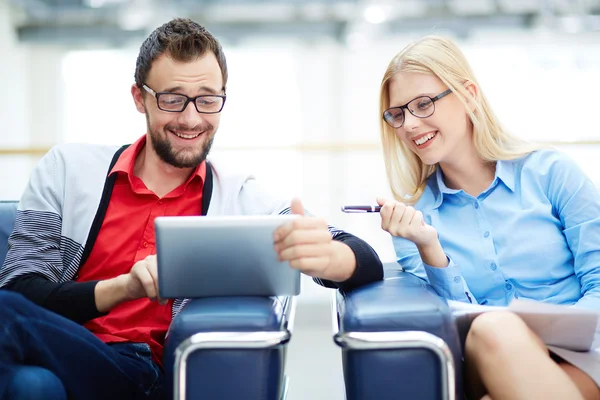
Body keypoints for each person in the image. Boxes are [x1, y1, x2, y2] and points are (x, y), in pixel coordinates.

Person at [0, 18, 383, 400]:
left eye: (207, 99)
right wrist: (125, 288)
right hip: (47, 350)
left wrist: (325, 257)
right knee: (29, 384)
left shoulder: (241, 198)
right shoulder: (66, 170)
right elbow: (21, 290)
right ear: (140, 98)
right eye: (172, 98)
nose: (191, 118)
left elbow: (363, 258)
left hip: (137, 370)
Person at [375, 35, 600, 400]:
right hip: (489, 358)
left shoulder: (552, 174)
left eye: (423, 104)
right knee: (494, 328)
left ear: (469, 95)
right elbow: (452, 326)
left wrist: (546, 344)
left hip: (585, 356)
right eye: (398, 114)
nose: (410, 125)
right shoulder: (413, 223)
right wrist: (432, 250)